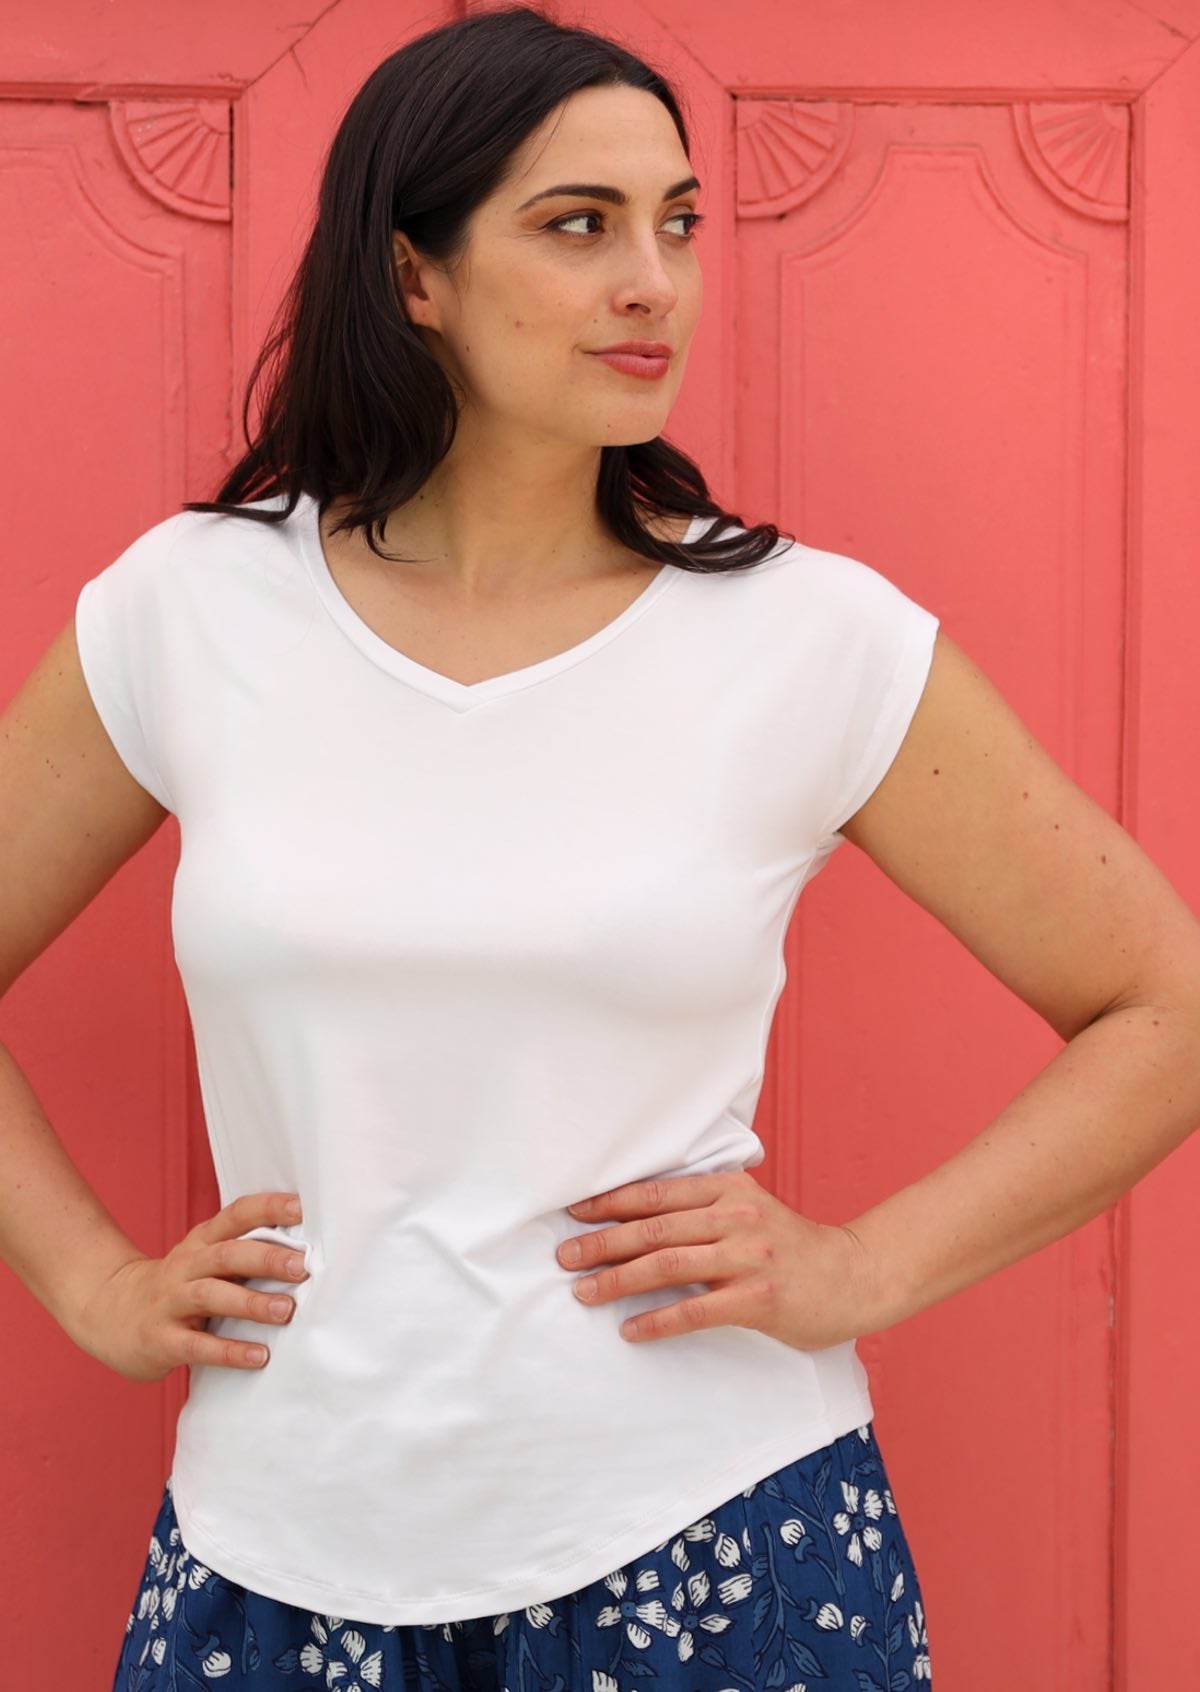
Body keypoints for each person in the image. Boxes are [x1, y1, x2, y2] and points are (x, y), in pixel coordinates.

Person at [4, 5, 1200, 1689]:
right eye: (580, 226)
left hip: (716, 1546)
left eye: (680, 223)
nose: (656, 281)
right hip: (273, 1551)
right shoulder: (194, 612)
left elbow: (1164, 1005)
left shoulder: (809, 640)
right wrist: (89, 1282)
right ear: (412, 273)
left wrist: (861, 1266)